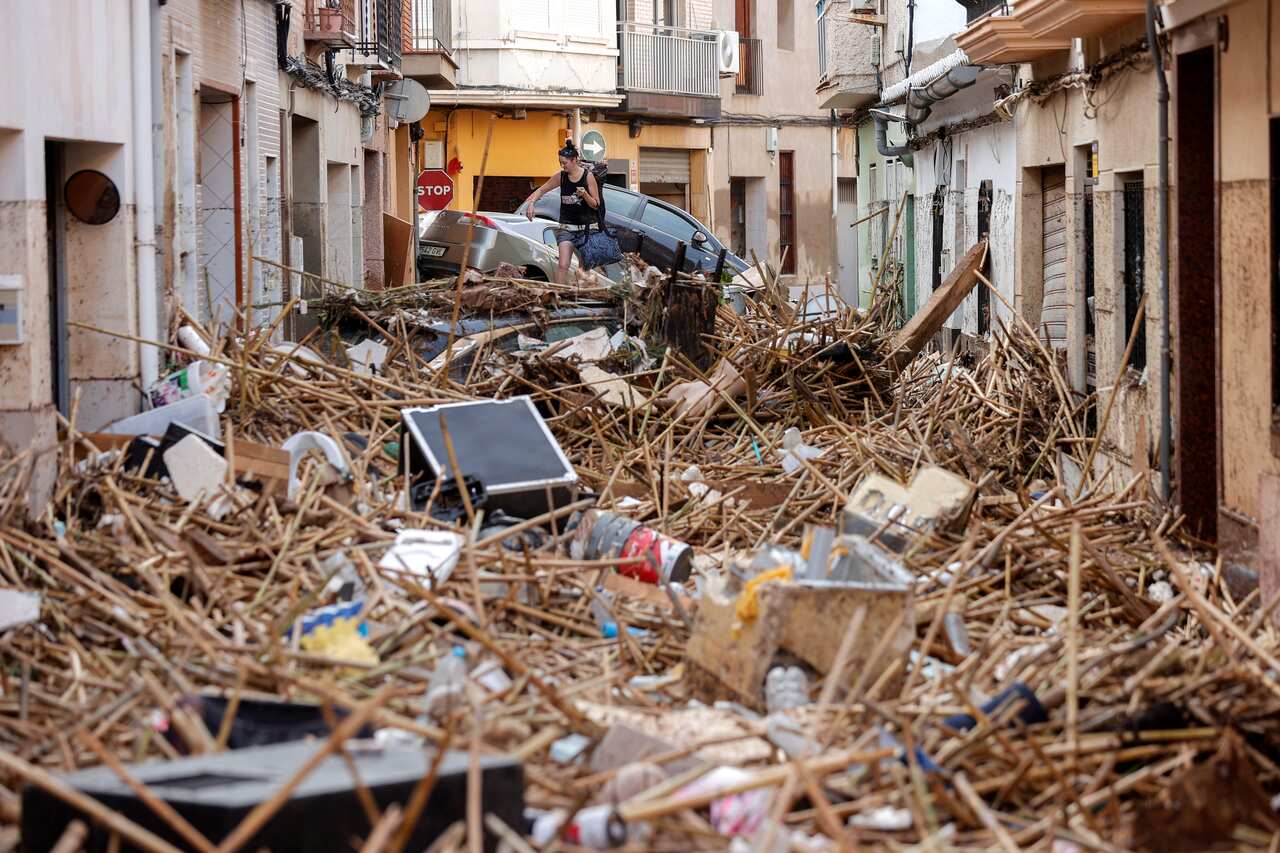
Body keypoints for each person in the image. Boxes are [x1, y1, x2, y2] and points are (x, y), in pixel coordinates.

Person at [524, 140, 601, 284]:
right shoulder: (561, 177)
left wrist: (585, 195)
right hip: (567, 227)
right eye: (560, 163)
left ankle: (580, 298)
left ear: (574, 160)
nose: (562, 166)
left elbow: (596, 204)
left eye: (565, 162)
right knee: (563, 265)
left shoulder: (588, 177)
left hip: (587, 229)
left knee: (583, 269)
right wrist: (531, 204)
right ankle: (559, 295)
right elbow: (541, 189)